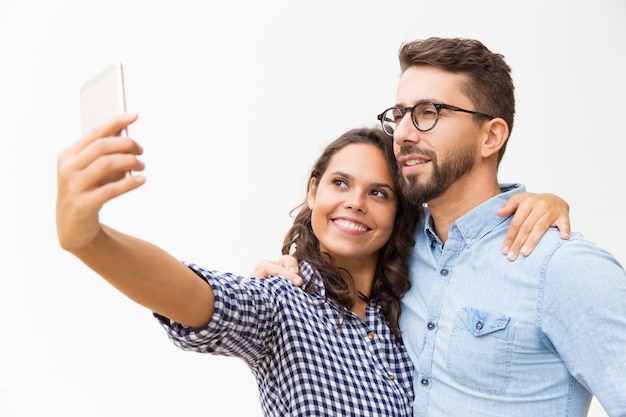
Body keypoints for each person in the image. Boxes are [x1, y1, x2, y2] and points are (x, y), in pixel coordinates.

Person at [57, 115, 570, 416]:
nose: (355, 203)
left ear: (399, 213)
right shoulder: (282, 303)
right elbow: (190, 294)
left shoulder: (419, 311)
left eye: (378, 193)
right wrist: (90, 241)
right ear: (313, 192)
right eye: (340, 183)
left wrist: (540, 203)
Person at [261, 37, 626, 417]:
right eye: (400, 114)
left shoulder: (563, 269)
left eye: (429, 112)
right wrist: (288, 268)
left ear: (491, 136)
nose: (402, 133)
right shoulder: (403, 247)